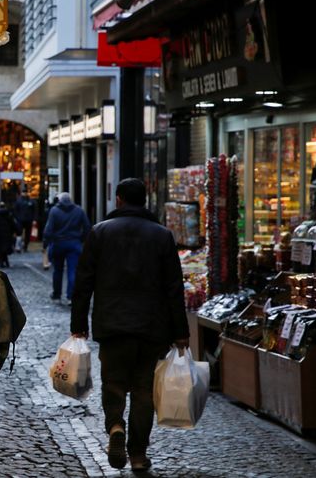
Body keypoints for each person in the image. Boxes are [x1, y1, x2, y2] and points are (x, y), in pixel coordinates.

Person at [70, 178, 190, 472]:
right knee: (143, 390)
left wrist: (78, 324)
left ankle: (114, 427)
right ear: (145, 199)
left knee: (112, 383)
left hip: (111, 324)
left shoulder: (99, 232)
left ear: (118, 199)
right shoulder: (162, 236)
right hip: (152, 327)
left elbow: (83, 282)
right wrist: (181, 333)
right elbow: (174, 287)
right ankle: (137, 454)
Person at [43, 192, 90, 302]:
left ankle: (57, 294)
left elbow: (48, 229)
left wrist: (46, 242)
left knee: (58, 270)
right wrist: (81, 239)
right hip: (74, 243)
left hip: (58, 243)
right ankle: (71, 296)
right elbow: (87, 227)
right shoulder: (79, 210)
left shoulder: (54, 211)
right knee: (72, 270)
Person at [0, 202, 21, 268]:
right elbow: (13, 224)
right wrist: (17, 232)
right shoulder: (9, 215)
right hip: (7, 235)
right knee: (4, 250)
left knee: (0, 250)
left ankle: (2, 263)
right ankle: (6, 263)